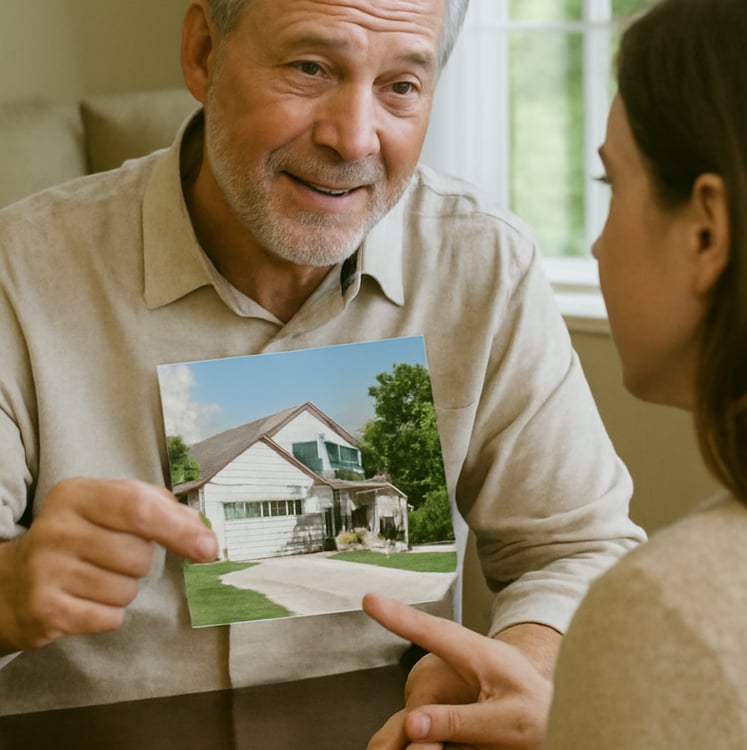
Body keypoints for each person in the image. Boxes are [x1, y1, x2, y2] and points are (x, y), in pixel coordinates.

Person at [0, 0, 644, 732]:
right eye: (310, 68)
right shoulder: (19, 272)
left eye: (400, 86)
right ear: (204, 52)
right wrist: (9, 590)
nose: (354, 137)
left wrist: (521, 662)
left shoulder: (482, 266)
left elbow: (578, 548)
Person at [364, 0, 747, 747]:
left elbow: (578, 548)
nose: (595, 242)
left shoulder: (662, 614)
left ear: (707, 231)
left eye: (612, 186)